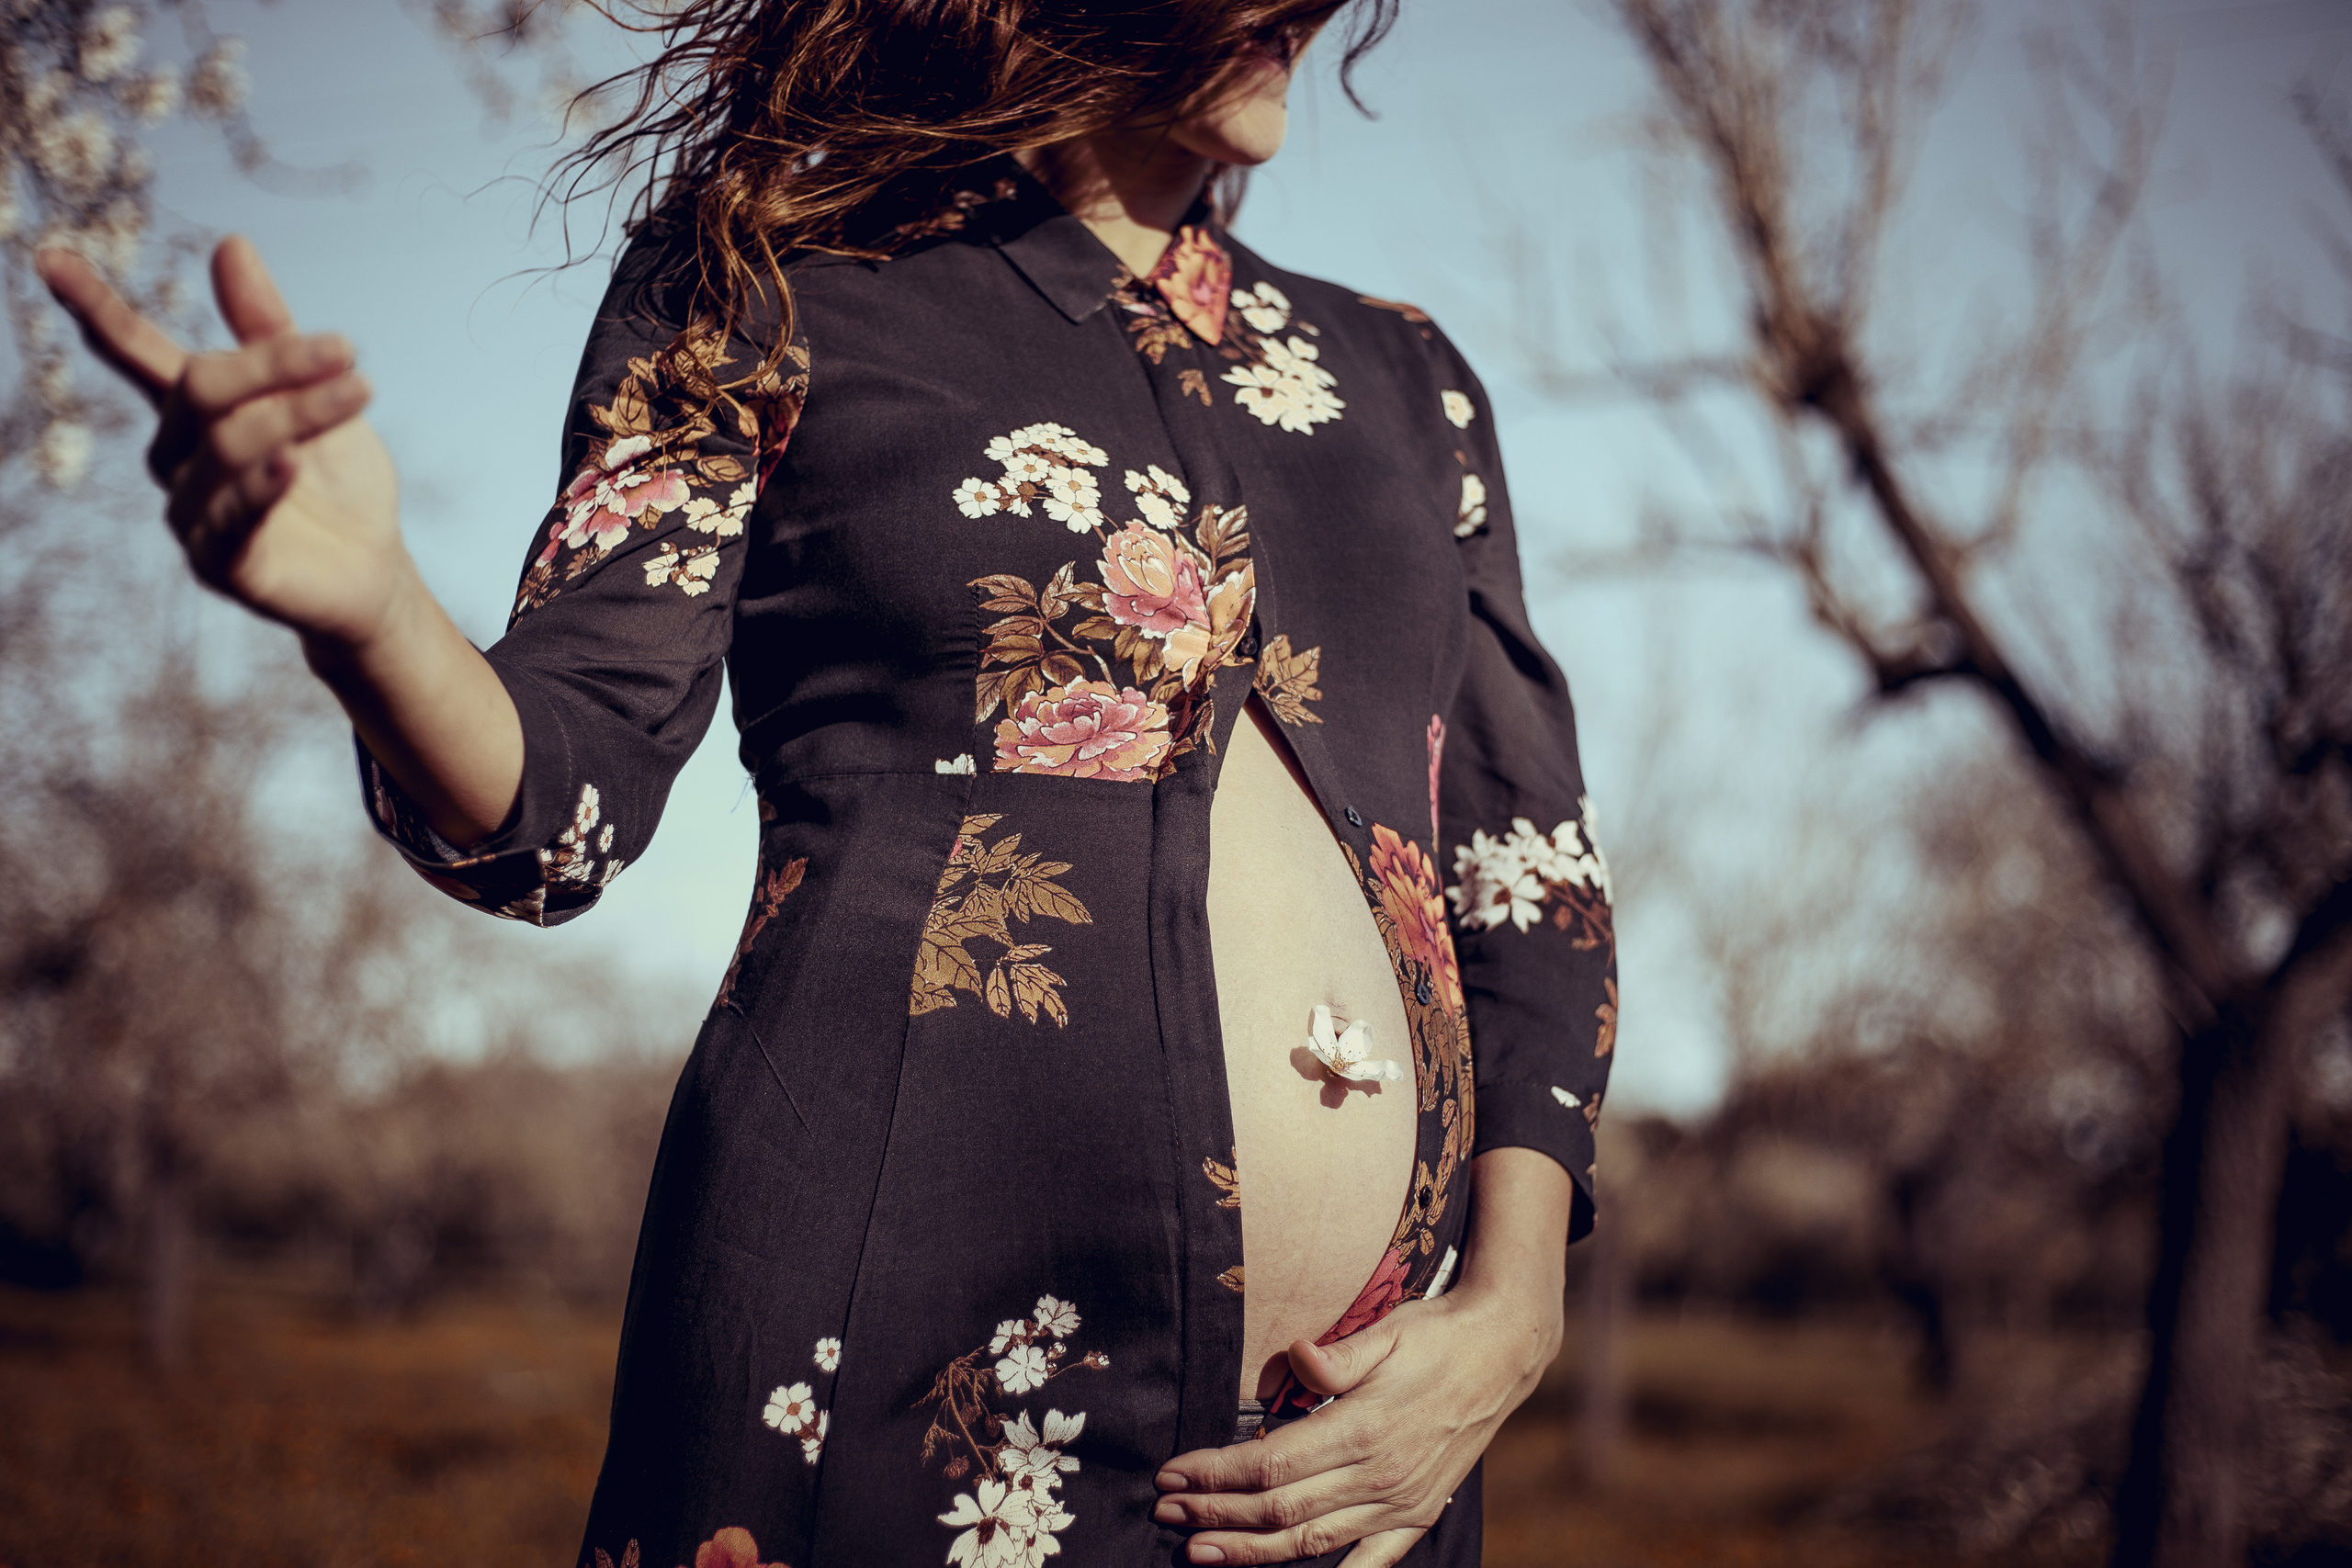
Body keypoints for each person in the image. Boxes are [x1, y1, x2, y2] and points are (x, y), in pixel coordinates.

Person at [40, 2, 1616, 1562]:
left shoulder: (1409, 379)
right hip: (873, 1385)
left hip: (1364, 1456)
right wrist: (372, 616)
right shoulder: (767, 294)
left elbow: (1524, 870)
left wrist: (1509, 1310)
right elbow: (555, 800)